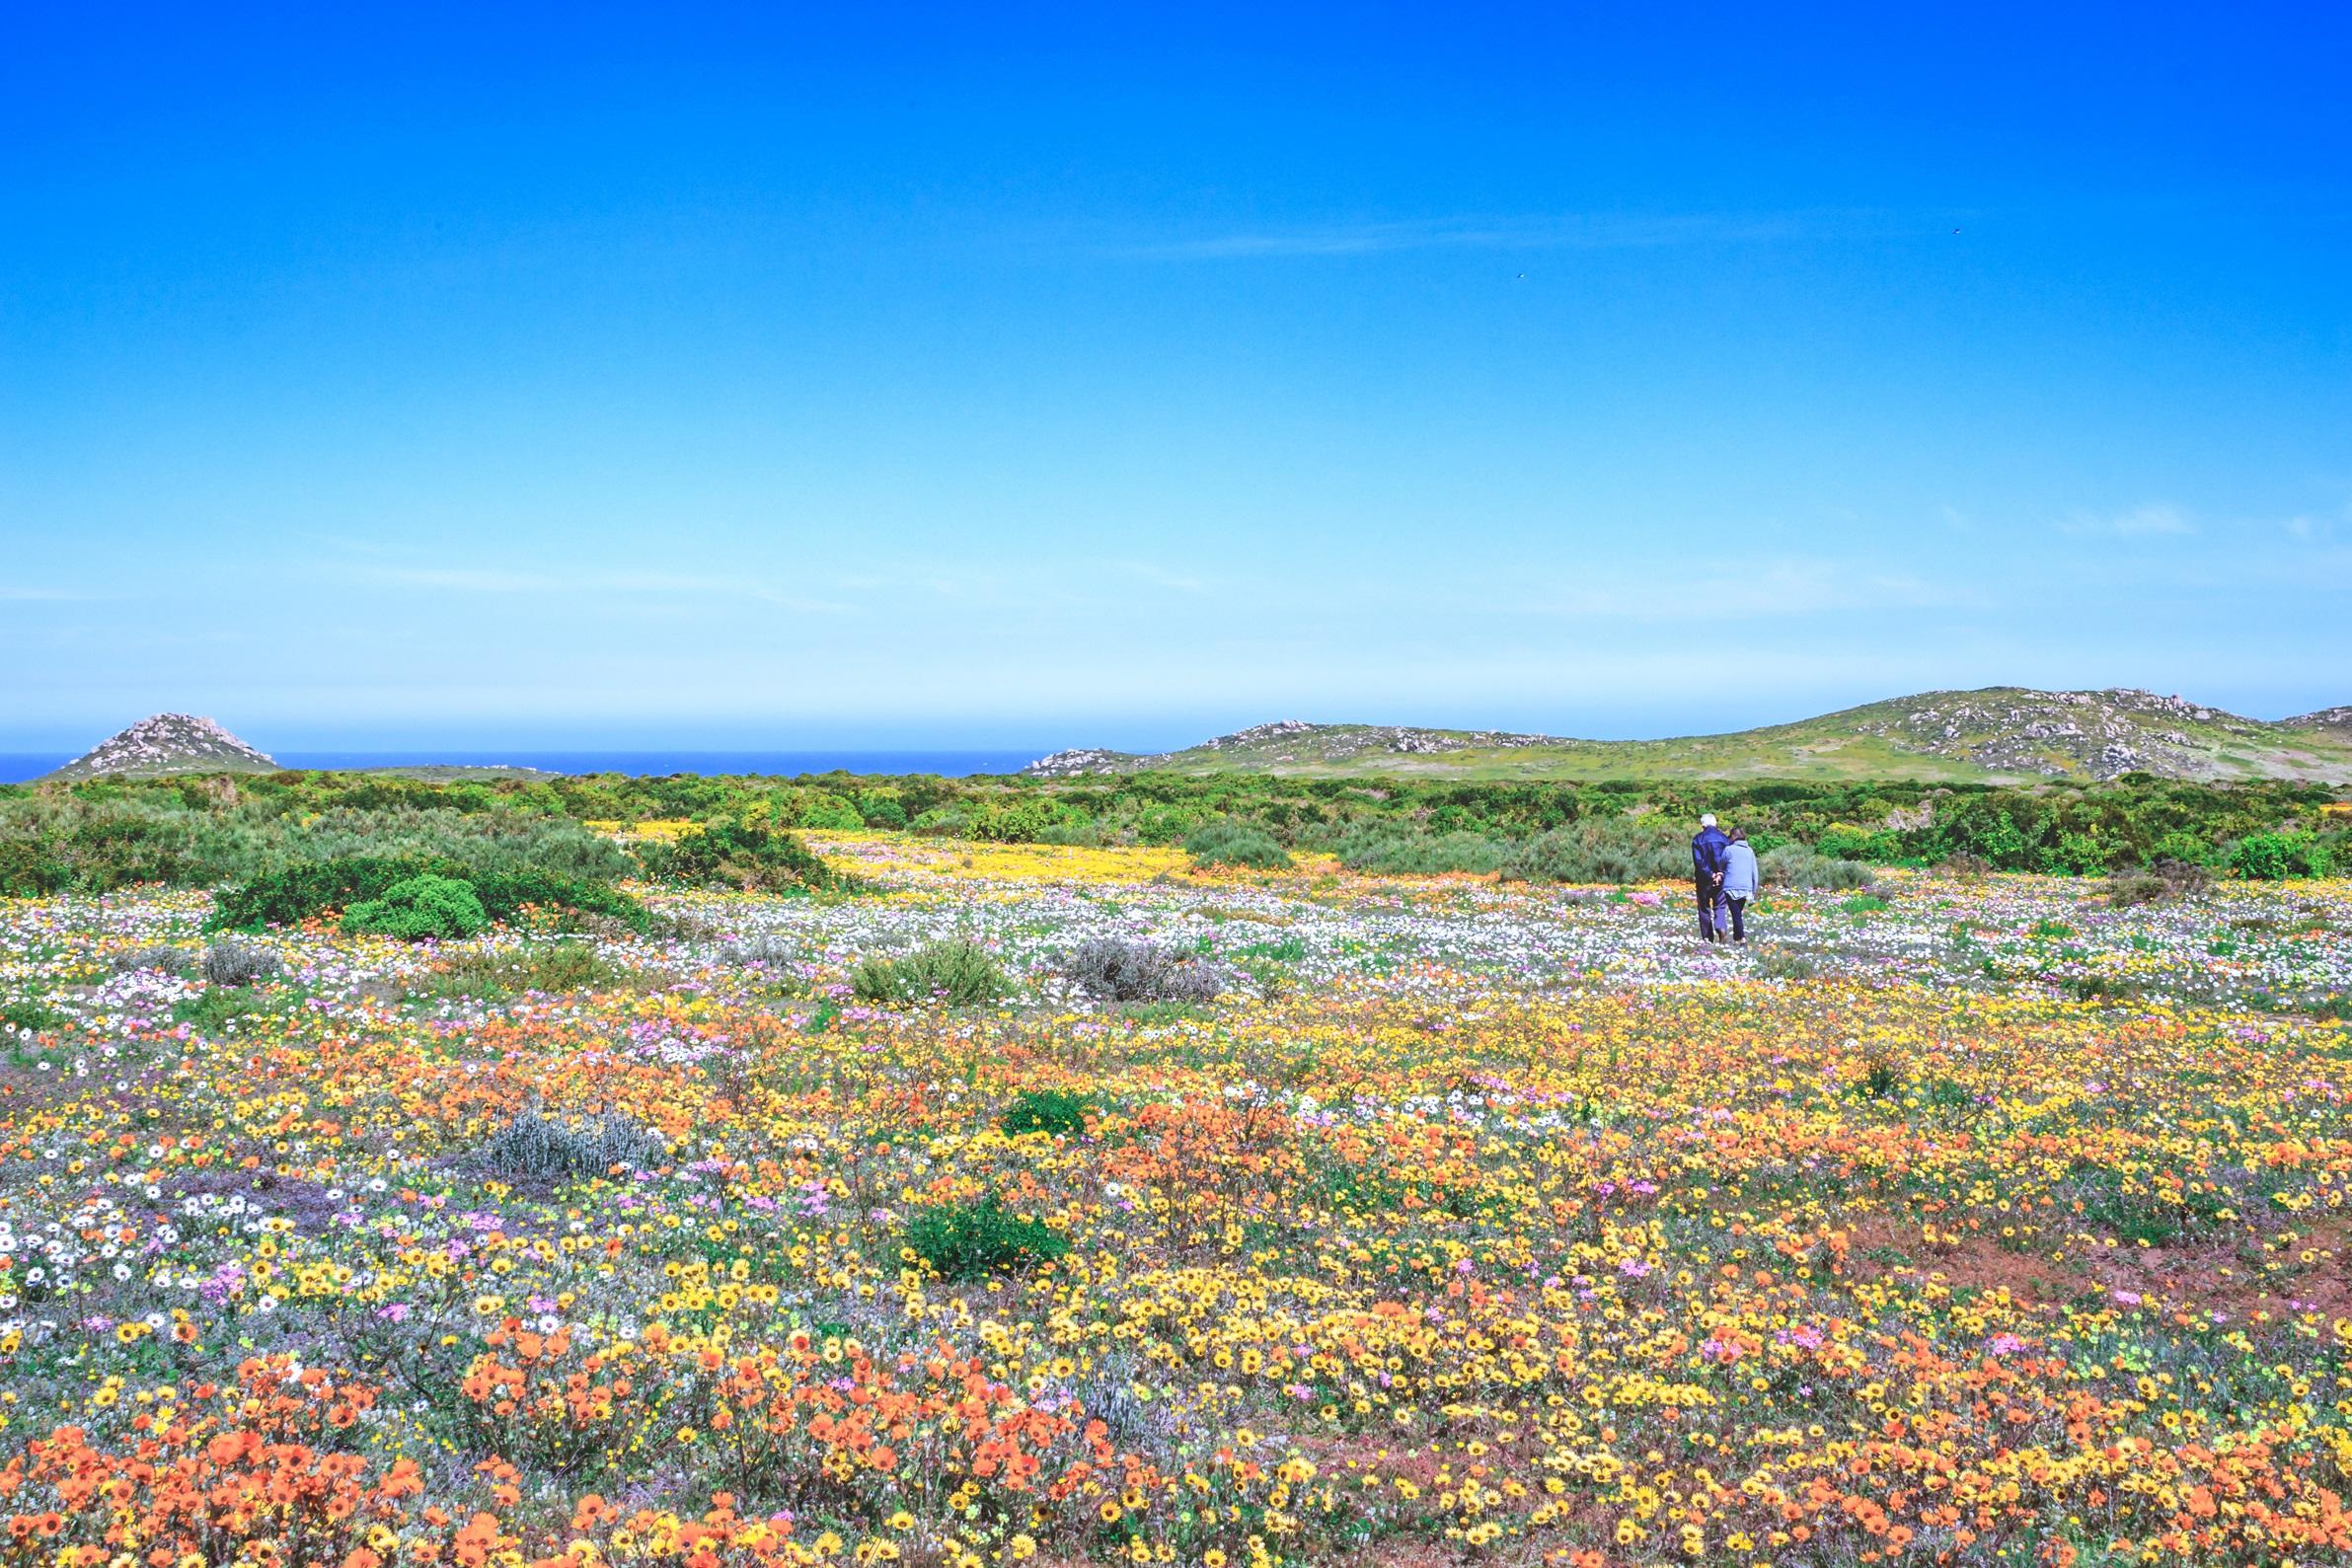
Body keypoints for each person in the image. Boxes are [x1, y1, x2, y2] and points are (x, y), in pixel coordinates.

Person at [1690, 812, 1730, 941]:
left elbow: (1699, 861)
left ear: (1703, 825)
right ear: (1715, 824)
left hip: (1704, 880)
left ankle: (1707, 938)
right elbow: (1728, 858)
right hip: (1722, 878)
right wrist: (1720, 873)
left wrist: (1711, 874)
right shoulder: (1724, 838)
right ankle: (1721, 927)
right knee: (1720, 905)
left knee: (1704, 908)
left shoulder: (1697, 839)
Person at [1721, 827, 1759, 943]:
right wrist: (1753, 891)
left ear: (1733, 837)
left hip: (1730, 887)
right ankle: (1737, 937)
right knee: (1737, 913)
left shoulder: (1729, 849)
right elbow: (1755, 873)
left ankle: (1742, 938)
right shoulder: (1750, 851)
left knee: (1736, 914)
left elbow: (1721, 864)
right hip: (1746, 888)